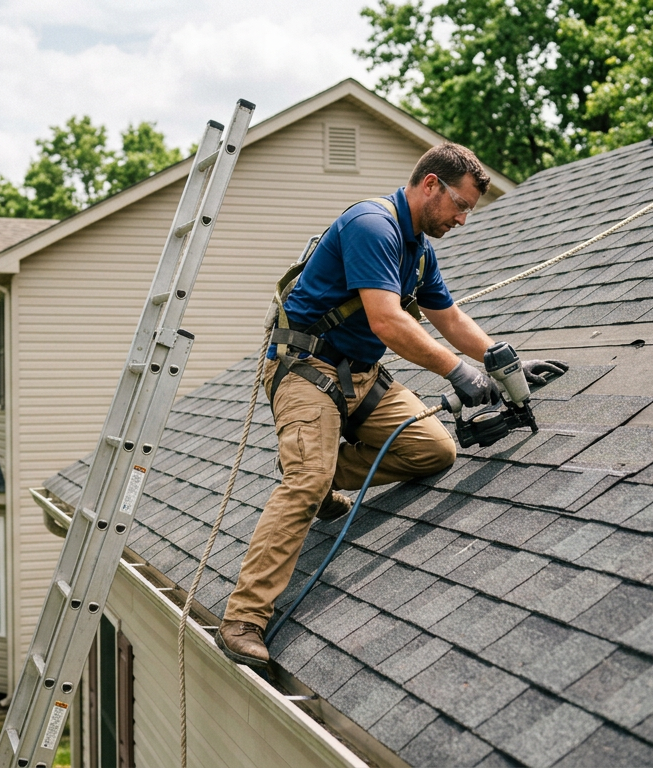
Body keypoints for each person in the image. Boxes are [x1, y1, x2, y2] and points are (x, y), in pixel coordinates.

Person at [215, 143, 567, 669]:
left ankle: (319, 465)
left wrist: (501, 362)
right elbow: (387, 322)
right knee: (307, 483)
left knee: (435, 451)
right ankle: (243, 617)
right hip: (305, 371)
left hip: (362, 377)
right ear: (430, 185)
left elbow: (447, 318)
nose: (464, 219)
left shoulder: (419, 250)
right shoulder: (372, 225)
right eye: (460, 205)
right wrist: (457, 371)